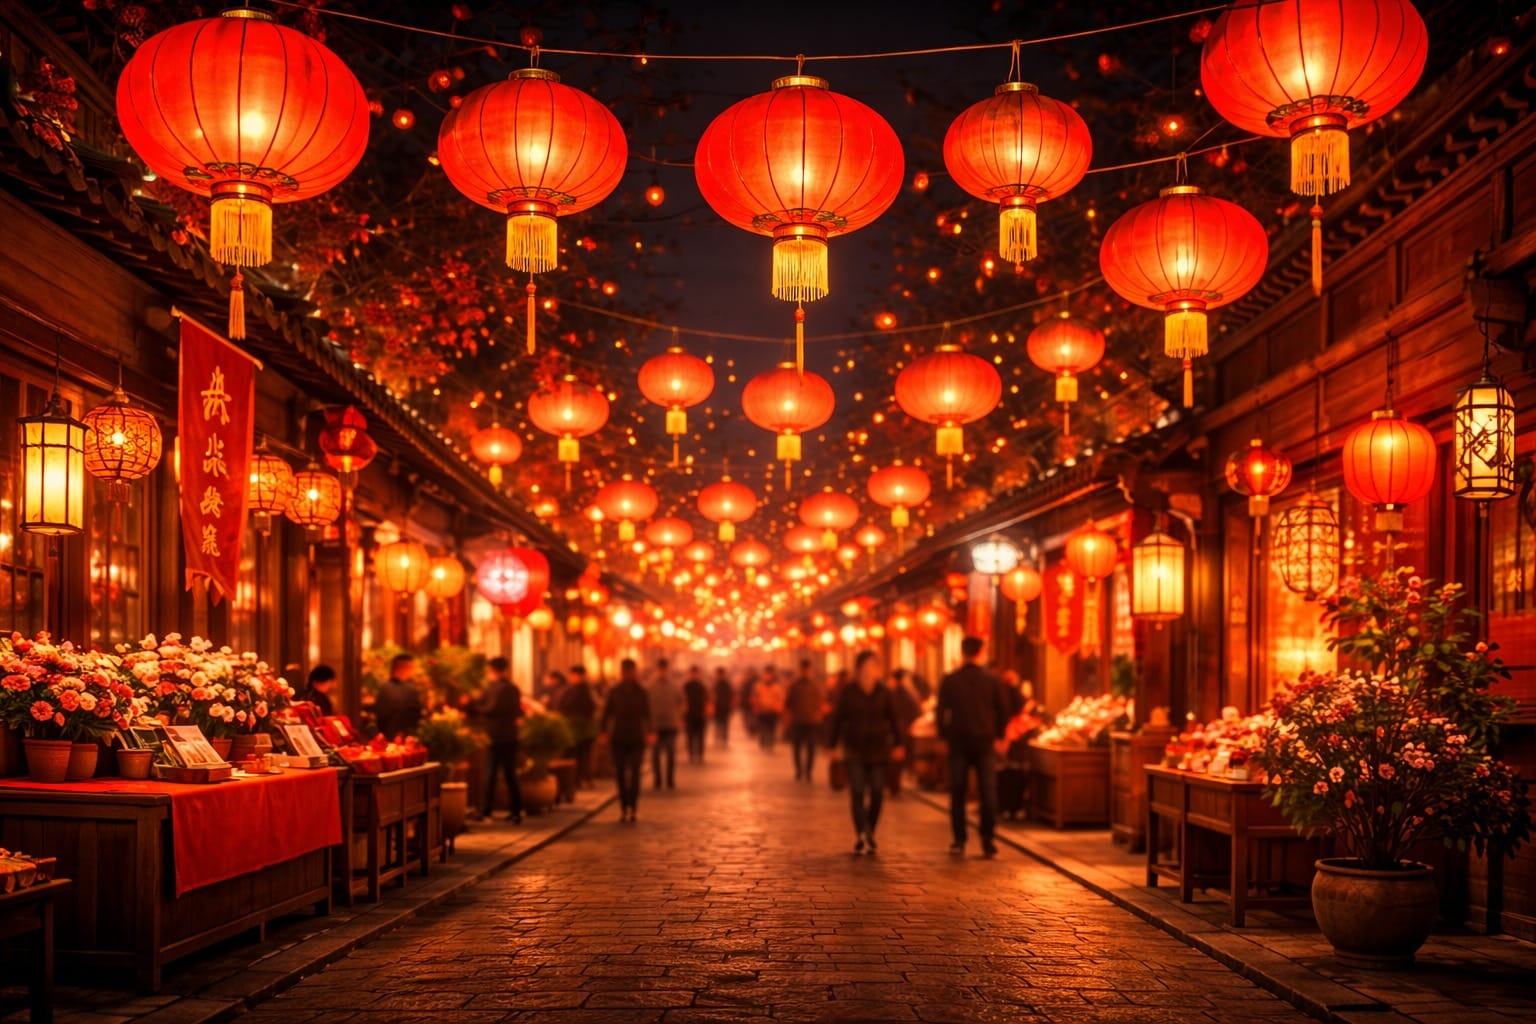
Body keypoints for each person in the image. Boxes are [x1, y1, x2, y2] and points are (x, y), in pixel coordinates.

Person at [936, 636, 1010, 858]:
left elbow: (941, 712)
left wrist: (942, 737)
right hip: (985, 742)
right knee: (988, 791)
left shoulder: (950, 680)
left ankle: (959, 840)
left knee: (958, 791)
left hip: (958, 742)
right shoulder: (992, 680)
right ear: (981, 653)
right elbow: (1003, 709)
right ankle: (987, 838)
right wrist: (1000, 735)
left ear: (962, 652)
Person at [827, 650, 904, 855]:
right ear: (860, 668)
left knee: (878, 791)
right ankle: (862, 832)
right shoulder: (849, 692)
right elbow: (838, 719)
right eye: (869, 665)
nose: (873, 670)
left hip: (879, 750)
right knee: (857, 791)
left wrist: (899, 744)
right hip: (854, 749)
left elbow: (894, 719)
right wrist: (832, 746)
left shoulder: (884, 692)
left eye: (875, 665)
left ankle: (870, 829)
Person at [468, 657, 524, 823]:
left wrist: (472, 705)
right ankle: (515, 811)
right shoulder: (512, 687)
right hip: (510, 735)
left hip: (497, 736)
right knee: (509, 774)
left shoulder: (498, 688)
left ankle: (487, 810)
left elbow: (489, 708)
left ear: (493, 669)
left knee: (493, 773)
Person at [601, 658, 651, 822]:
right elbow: (606, 713)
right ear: (621, 673)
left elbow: (647, 713)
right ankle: (623, 807)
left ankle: (633, 807)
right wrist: (602, 732)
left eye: (630, 672)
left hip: (636, 737)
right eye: (625, 672)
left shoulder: (641, 692)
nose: (628, 675)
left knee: (635, 772)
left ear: (634, 672)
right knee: (620, 773)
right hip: (619, 737)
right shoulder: (614, 691)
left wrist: (650, 731)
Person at [557, 665, 598, 787]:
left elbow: (563, 706)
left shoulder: (577, 691)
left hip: (576, 729)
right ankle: (579, 780)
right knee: (581, 756)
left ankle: (576, 780)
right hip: (581, 729)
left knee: (576, 756)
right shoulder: (586, 690)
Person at [785, 659, 826, 781]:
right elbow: (788, 703)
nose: (805, 672)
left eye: (807, 669)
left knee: (811, 747)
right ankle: (799, 770)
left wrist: (819, 714)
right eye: (803, 669)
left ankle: (809, 771)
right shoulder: (794, 685)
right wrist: (788, 717)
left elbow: (821, 702)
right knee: (797, 747)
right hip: (798, 720)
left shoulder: (816, 685)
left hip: (812, 722)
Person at [647, 658, 683, 788]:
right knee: (655, 755)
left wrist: (679, 718)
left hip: (670, 725)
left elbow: (682, 702)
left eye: (664, 669)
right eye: (660, 669)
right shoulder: (650, 686)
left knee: (671, 754)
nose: (662, 671)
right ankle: (657, 779)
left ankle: (669, 779)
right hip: (655, 726)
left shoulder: (674, 685)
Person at [373, 653, 423, 740]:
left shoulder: (385, 688)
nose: (412, 670)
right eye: (411, 667)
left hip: (396, 737)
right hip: (395, 738)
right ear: (403, 667)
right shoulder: (387, 689)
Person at [752, 667, 786, 752]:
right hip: (762, 711)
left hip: (772, 711)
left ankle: (770, 743)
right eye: (765, 675)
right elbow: (755, 697)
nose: (767, 677)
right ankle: (763, 741)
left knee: (771, 728)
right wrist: (756, 706)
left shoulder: (776, 687)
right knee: (763, 727)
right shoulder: (758, 686)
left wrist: (779, 708)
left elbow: (781, 699)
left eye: (769, 675)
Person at [682, 666, 710, 764]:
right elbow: (682, 701)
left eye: (695, 673)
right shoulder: (686, 686)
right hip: (689, 715)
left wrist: (706, 712)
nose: (694, 675)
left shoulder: (701, 686)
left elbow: (707, 700)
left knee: (700, 737)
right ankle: (691, 754)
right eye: (692, 673)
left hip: (700, 715)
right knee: (690, 736)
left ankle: (699, 754)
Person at [711, 667, 735, 747]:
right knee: (719, 723)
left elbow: (731, 696)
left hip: (724, 708)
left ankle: (722, 739)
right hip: (719, 708)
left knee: (723, 724)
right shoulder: (716, 684)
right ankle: (719, 738)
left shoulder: (724, 684)